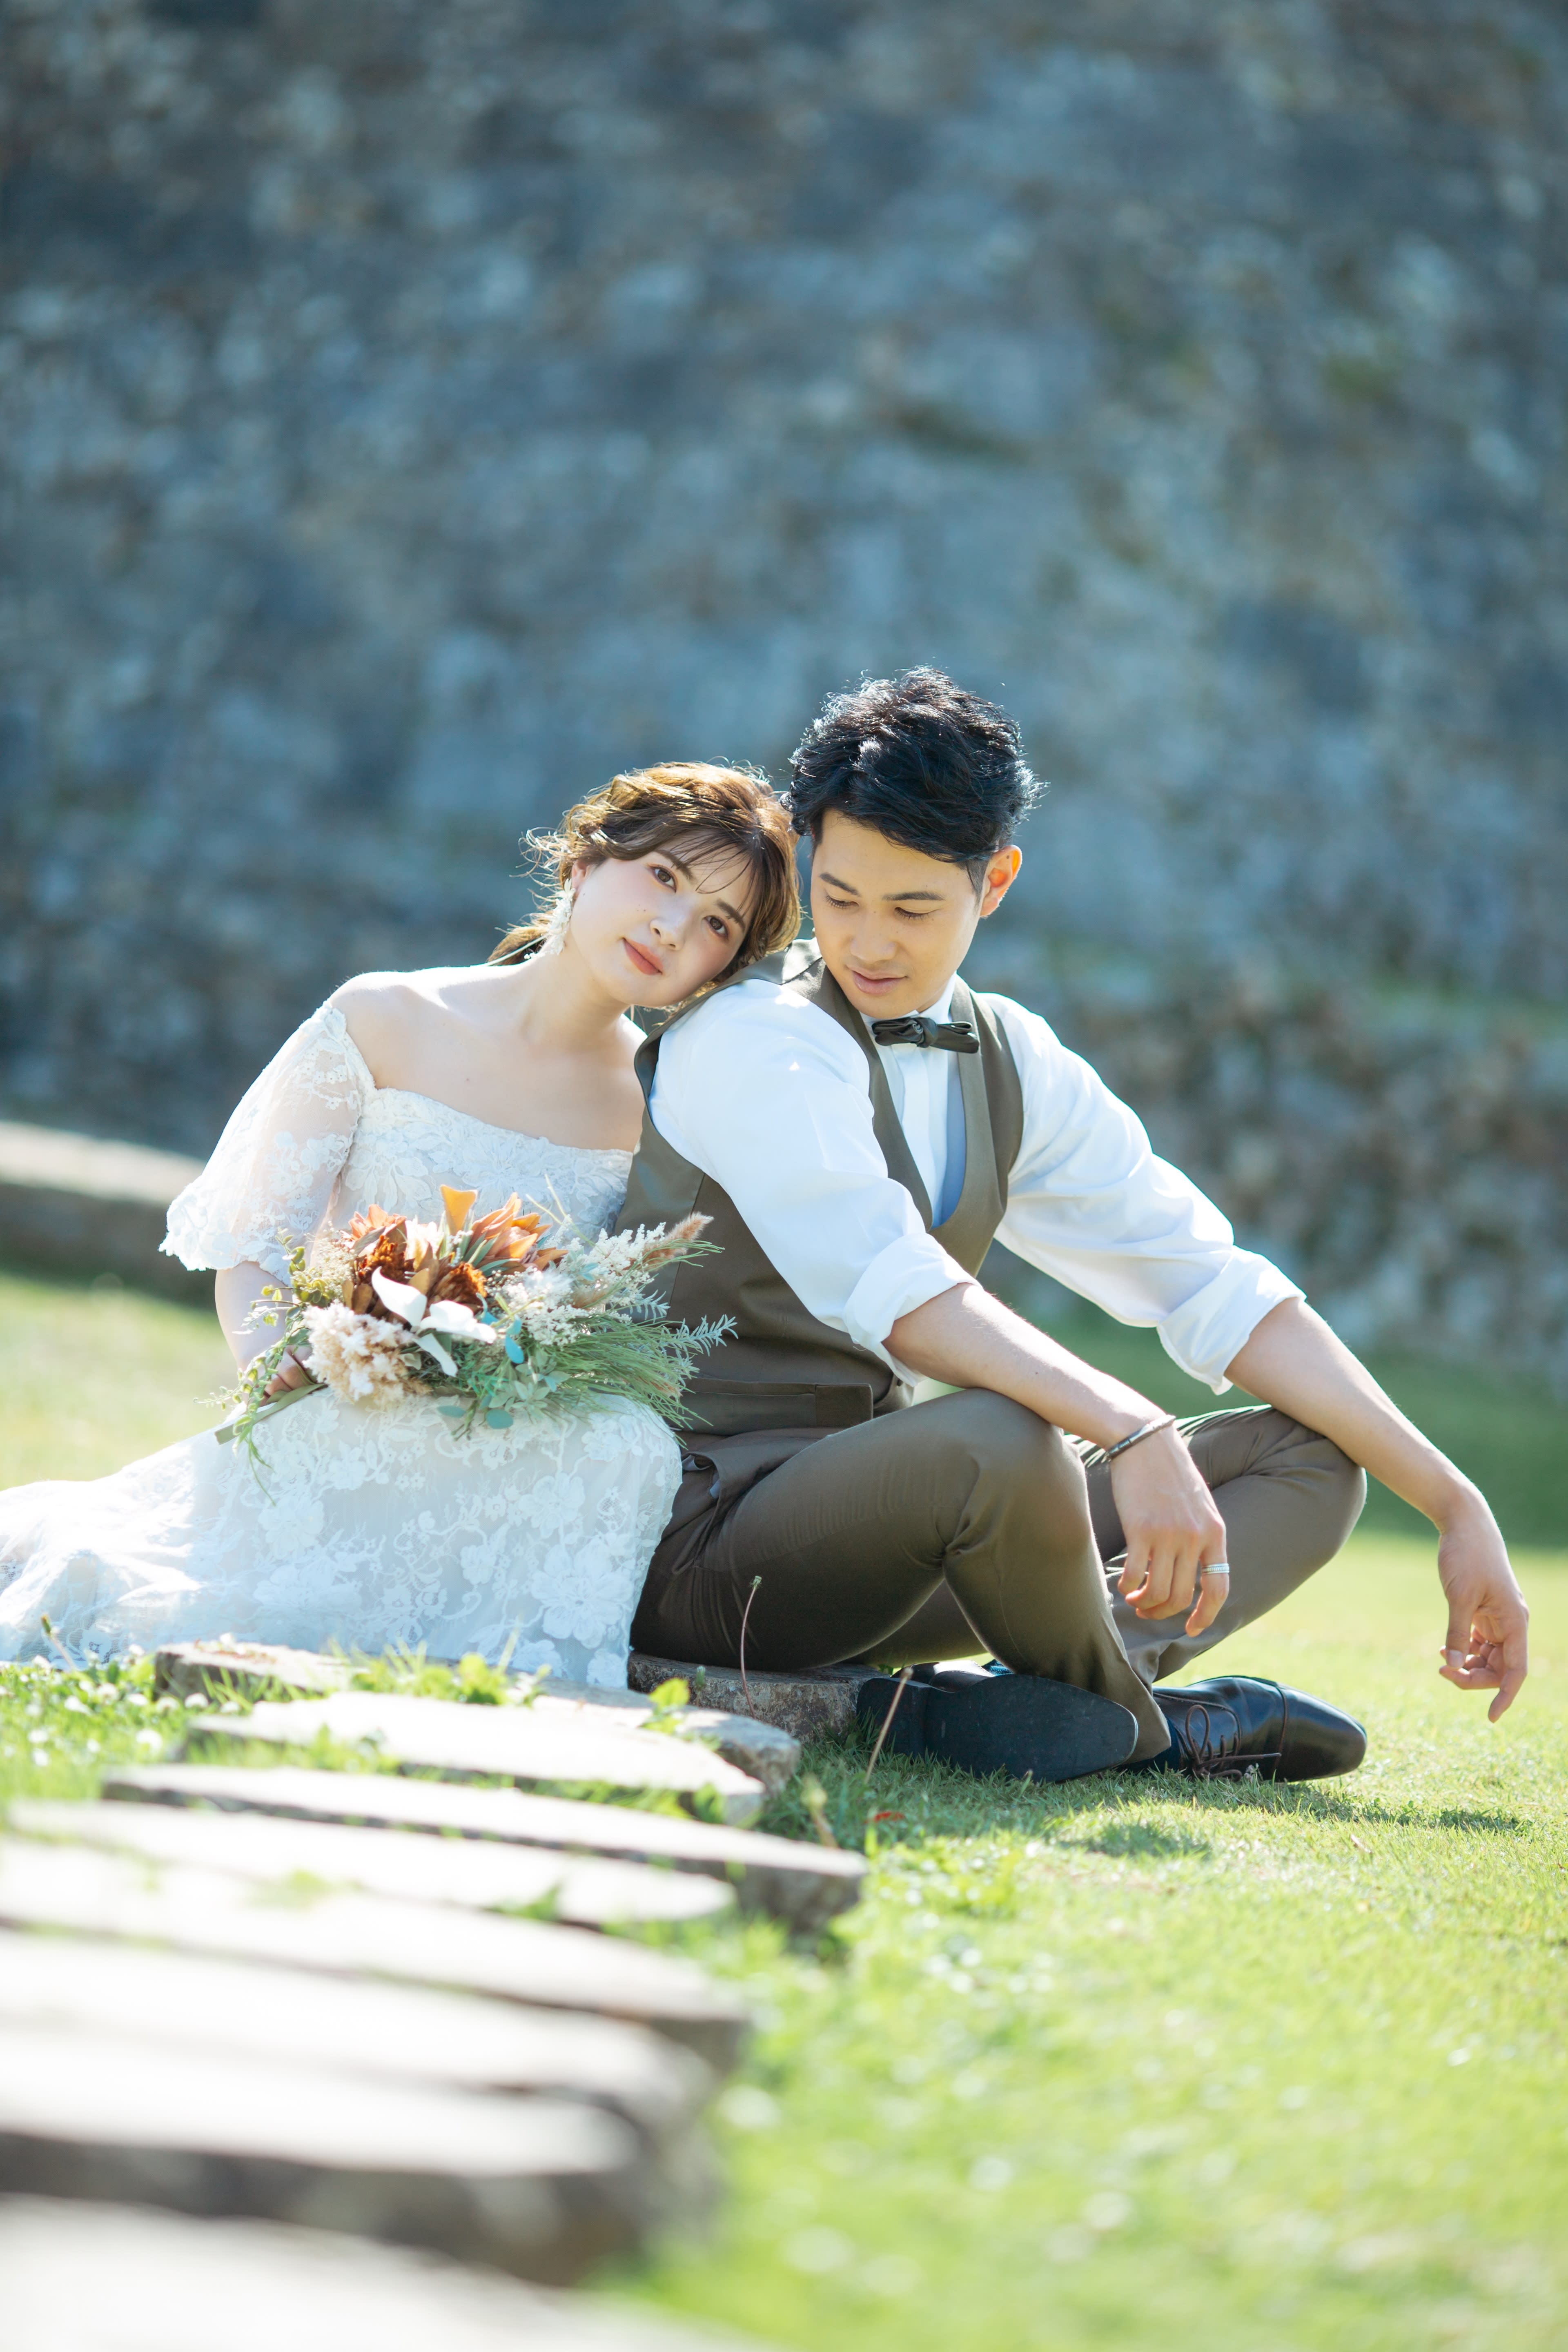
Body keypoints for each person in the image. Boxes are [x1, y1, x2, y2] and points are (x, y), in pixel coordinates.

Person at [620, 673, 1530, 1780]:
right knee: (1000, 1438)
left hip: (893, 1543)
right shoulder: (756, 1035)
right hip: (709, 1548)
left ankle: (1056, 1702)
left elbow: (1212, 1283)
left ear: (995, 882)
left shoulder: (1011, 1058)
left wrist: (1454, 1502)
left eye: (914, 910)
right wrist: (1132, 1428)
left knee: (1312, 1456)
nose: (868, 942)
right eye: (841, 896)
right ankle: (1150, 1728)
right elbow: (896, 1291)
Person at [0, 765, 800, 1679]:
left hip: (496, 1442)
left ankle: (506, 1669)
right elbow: (254, 1246)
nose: (673, 927)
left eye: (717, 925)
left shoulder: (661, 1107)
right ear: (583, 863)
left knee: (628, 1442)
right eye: (663, 877)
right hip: (342, 1402)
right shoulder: (382, 1017)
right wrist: (286, 1363)